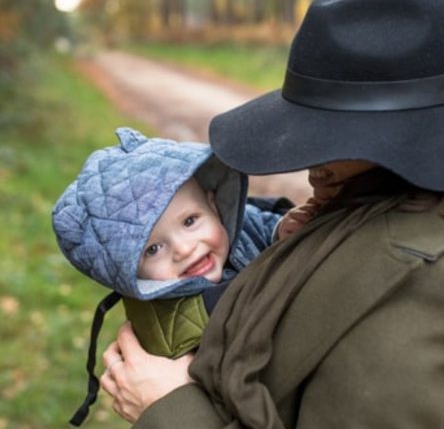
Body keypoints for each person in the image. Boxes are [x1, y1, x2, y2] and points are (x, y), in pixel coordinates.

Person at [99, 0, 444, 429]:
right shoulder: (413, 213)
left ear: (408, 142)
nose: (311, 167)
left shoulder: (418, 285)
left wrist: (167, 408)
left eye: (331, 136)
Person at [51, 127, 291, 425]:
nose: (184, 249)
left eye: (190, 221)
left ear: (213, 203)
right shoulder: (177, 324)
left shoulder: (226, 236)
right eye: (152, 249)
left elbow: (249, 219)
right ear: (128, 272)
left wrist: (280, 228)